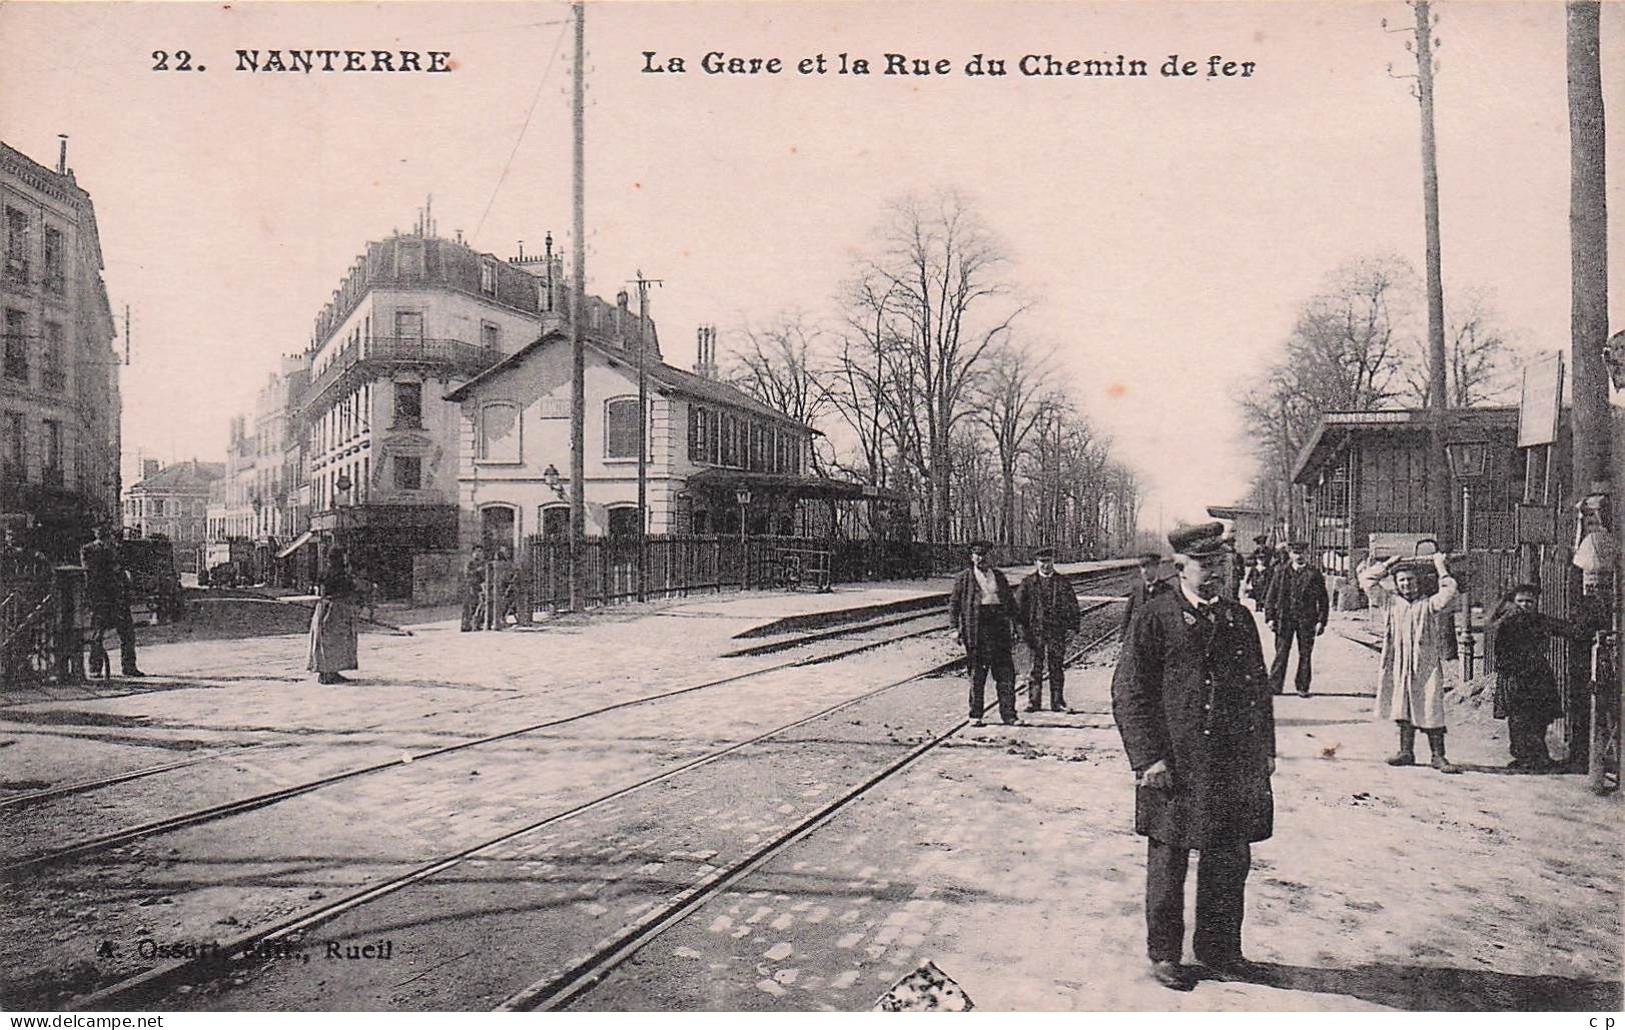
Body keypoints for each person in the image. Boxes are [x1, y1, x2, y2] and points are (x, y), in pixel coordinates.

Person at [1111, 522, 1275, 991]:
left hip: (1231, 765)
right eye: (1206, 565)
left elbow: (1257, 691)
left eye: (1221, 564)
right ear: (1181, 567)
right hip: (1175, 766)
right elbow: (1129, 692)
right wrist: (1147, 760)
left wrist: (1264, 751)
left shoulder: (1238, 618)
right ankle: (1165, 954)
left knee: (1228, 858)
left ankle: (1220, 950)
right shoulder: (1156, 616)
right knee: (1169, 860)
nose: (1216, 574)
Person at [1358, 551, 1460, 773]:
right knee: (1401, 705)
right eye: (1402, 580)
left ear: (1419, 582)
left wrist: (1440, 567)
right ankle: (1406, 751)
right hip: (1398, 663)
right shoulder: (1389, 602)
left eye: (1411, 580)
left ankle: (1438, 756)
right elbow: (1366, 580)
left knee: (1431, 705)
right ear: (1396, 583)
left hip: (1425, 664)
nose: (1406, 584)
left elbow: (1450, 592)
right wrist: (1387, 564)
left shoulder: (1429, 603)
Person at [1486, 584, 1590, 771]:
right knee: (1518, 719)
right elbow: (1499, 650)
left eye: (1530, 601)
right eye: (1521, 601)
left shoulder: (1540, 621)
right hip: (1514, 676)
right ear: (1513, 602)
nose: (1525, 605)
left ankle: (1539, 757)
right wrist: (1510, 675)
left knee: (1539, 717)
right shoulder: (1506, 622)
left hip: (1537, 675)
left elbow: (1567, 629)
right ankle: (1522, 756)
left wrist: (1584, 628)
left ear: (1536, 603)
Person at [948, 540, 1026, 727]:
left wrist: (1016, 625)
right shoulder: (964, 578)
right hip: (977, 630)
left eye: (985, 555)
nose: (981, 559)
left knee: (1005, 674)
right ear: (972, 557)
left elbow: (1010, 602)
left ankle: (1009, 715)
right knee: (977, 674)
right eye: (978, 555)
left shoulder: (998, 576)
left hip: (999, 628)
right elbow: (954, 604)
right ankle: (976, 714)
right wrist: (954, 628)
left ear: (990, 558)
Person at [1015, 546, 1081, 713]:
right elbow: (1018, 611)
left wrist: (1073, 628)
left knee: (1056, 667)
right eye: (1042, 562)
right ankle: (1033, 702)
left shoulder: (1063, 582)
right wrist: (1022, 632)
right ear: (1036, 563)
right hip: (1035, 632)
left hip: (1056, 632)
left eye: (1048, 561)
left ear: (1053, 561)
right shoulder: (1027, 583)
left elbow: (1074, 607)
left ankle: (1057, 702)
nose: (1045, 565)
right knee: (1034, 668)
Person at [1263, 542, 1329, 697]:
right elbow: (1270, 596)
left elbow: (1323, 599)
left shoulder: (1314, 573)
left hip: (1307, 620)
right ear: (1290, 554)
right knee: (1281, 652)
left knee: (1305, 653)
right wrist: (1270, 618)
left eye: (1301, 553)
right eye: (1295, 552)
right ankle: (1274, 686)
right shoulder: (1281, 571)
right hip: (1284, 618)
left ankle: (1302, 686)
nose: (1298, 556)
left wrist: (1321, 621)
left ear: (1306, 553)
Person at [80, 524, 144, 678]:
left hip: (114, 598)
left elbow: (122, 571)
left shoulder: (112, 549)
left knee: (123, 633)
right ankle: (100, 668)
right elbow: (90, 575)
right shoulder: (91, 550)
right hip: (104, 598)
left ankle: (122, 667)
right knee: (101, 634)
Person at [308, 547, 360, 684]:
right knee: (335, 640)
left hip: (323, 608)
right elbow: (349, 589)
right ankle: (330, 672)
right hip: (336, 608)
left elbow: (320, 590)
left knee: (323, 640)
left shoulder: (324, 572)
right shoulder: (341, 574)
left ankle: (325, 671)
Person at [1122, 552, 1171, 630]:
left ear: (1157, 567)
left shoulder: (1168, 590)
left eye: (1148, 567)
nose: (1144, 571)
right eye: (1142, 567)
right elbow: (1127, 615)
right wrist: (1122, 637)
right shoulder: (1136, 590)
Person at [460, 545, 486, 632]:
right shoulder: (470, 563)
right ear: (473, 553)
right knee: (469, 606)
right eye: (477, 551)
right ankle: (467, 625)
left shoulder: (483, 563)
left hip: (480, 587)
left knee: (480, 605)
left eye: (480, 551)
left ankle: (477, 624)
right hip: (471, 586)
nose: (478, 554)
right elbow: (467, 574)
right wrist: (477, 571)